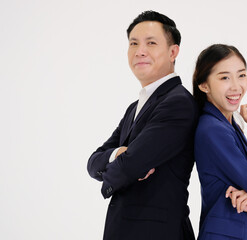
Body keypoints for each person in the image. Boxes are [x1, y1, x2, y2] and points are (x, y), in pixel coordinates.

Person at [87, 11, 198, 240]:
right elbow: (92, 162)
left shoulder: (178, 102)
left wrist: (122, 164)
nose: (140, 51)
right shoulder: (134, 107)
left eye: (151, 43)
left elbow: (131, 166)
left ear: (173, 51)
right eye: (133, 43)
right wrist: (118, 153)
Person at [193, 44, 247, 240]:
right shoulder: (213, 130)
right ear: (204, 85)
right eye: (224, 77)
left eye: (241, 75)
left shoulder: (227, 124)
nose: (236, 86)